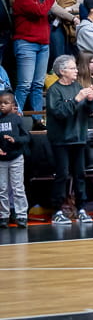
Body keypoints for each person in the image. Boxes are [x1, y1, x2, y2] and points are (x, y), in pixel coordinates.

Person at [46, 55, 93, 224]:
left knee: (79, 175)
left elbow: (88, 111)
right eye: (72, 68)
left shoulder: (77, 86)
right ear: (62, 71)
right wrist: (77, 99)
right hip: (61, 139)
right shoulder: (54, 91)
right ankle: (57, 210)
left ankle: (82, 208)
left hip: (79, 138)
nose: (76, 70)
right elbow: (60, 113)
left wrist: (90, 100)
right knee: (62, 175)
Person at [11, 0, 59, 126]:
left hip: (42, 45)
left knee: (38, 84)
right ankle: (15, 118)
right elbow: (40, 12)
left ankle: (38, 119)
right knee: (25, 84)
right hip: (27, 44)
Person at [0, 91, 29, 229]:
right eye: (0, 103)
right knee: (2, 189)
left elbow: (26, 137)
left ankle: (21, 215)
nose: (2, 105)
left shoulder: (17, 119)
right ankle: (3, 216)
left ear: (13, 105)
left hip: (16, 157)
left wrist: (14, 139)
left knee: (18, 188)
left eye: (5, 103)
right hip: (1, 160)